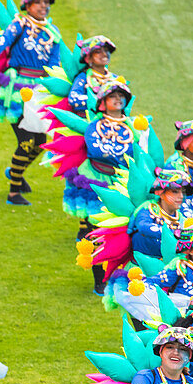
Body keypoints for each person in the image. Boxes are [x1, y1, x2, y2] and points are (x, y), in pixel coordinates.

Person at [0, 0, 61, 205]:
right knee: (27, 138)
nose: (43, 7)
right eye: (39, 2)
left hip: (40, 91)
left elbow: (54, 63)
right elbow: (1, 45)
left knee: (41, 140)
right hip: (16, 91)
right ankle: (13, 192)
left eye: (46, 3)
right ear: (28, 5)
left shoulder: (53, 32)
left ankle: (15, 172)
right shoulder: (19, 24)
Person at [69, 81, 137, 292]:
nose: (118, 99)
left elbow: (139, 154)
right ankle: (99, 280)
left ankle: (114, 276)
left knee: (117, 232)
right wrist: (122, 156)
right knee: (96, 232)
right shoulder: (94, 126)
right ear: (102, 103)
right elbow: (98, 151)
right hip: (96, 182)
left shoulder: (133, 127)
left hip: (121, 183)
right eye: (112, 96)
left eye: (121, 96)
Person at [127, 167, 193, 259]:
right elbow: (143, 226)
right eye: (175, 192)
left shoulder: (181, 218)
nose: (181, 196)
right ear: (161, 193)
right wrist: (174, 233)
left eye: (183, 192)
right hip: (141, 267)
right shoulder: (148, 208)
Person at [66, 36, 118, 114]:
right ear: (88, 58)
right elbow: (73, 99)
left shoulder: (115, 79)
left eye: (106, 50)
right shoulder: (83, 78)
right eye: (98, 52)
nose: (104, 54)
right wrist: (100, 100)